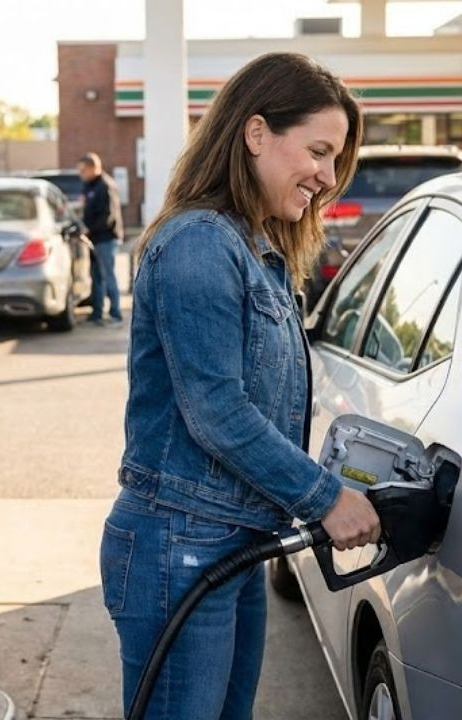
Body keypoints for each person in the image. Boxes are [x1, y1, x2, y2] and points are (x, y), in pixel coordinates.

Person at [99, 52, 378, 720]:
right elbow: (217, 410)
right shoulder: (200, 244)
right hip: (180, 546)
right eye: (317, 150)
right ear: (256, 134)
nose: (328, 176)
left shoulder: (258, 251)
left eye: (335, 158)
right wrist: (324, 498)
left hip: (229, 541)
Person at [79, 152, 125, 325]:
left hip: (106, 238)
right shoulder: (89, 186)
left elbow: (108, 216)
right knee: (96, 276)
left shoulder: (105, 186)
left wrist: (90, 230)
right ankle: (97, 313)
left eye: (83, 170)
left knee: (108, 275)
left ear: (93, 168)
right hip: (93, 239)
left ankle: (115, 313)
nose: (81, 173)